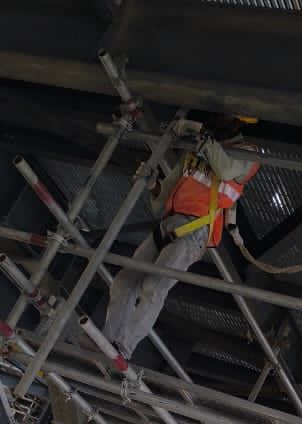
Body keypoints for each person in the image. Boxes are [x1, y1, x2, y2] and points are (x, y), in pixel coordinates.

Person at [102, 114, 260, 361]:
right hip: (169, 224)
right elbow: (159, 205)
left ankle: (123, 348)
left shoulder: (248, 153)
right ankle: (105, 343)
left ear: (238, 124)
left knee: (153, 287)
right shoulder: (194, 155)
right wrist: (153, 184)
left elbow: (227, 171)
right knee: (125, 281)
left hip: (195, 231)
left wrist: (202, 136)